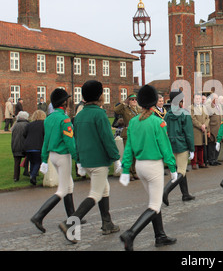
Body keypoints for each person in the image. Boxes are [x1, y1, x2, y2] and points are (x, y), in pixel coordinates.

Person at [59, 80, 121, 243]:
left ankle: (107, 223)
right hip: (98, 160)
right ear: (99, 96)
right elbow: (108, 139)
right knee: (95, 193)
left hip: (86, 160)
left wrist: (78, 160)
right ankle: (70, 223)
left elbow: (76, 140)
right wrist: (116, 158)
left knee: (104, 188)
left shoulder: (78, 116)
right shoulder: (100, 114)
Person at [119, 85, 177, 251]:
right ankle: (131, 233)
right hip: (153, 166)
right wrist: (172, 167)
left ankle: (160, 235)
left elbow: (128, 147)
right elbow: (165, 147)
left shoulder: (134, 122)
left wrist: (125, 170)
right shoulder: (158, 122)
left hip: (140, 166)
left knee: (154, 201)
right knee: (154, 205)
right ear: (152, 103)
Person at [30, 89, 79, 233]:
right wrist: (78, 159)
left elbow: (46, 141)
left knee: (68, 186)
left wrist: (44, 159)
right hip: (63, 156)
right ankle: (39, 215)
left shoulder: (48, 118)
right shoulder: (64, 119)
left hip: (52, 155)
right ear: (64, 103)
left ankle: (73, 218)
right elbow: (70, 141)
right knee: (64, 189)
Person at [163, 89, 196, 206]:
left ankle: (185, 194)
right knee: (181, 171)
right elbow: (188, 133)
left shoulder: (167, 114)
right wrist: (192, 149)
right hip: (182, 145)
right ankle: (166, 191)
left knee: (180, 169)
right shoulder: (184, 113)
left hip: (171, 145)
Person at [114, 93, 142, 180]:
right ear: (128, 101)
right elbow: (116, 110)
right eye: (132, 99)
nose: (134, 101)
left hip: (137, 133)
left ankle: (134, 171)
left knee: (135, 154)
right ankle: (128, 173)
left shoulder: (139, 109)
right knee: (129, 154)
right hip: (128, 133)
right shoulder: (125, 109)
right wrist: (123, 103)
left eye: (135, 99)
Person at [23, 110, 46, 185]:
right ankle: (33, 175)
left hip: (28, 146)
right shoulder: (43, 124)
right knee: (37, 162)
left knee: (32, 162)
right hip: (38, 146)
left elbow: (24, 134)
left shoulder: (29, 125)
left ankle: (33, 177)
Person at [190, 93, 210, 169]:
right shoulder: (191, 108)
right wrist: (200, 125)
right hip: (195, 130)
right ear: (193, 99)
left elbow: (207, 118)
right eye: (196, 98)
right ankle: (193, 163)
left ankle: (201, 163)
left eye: (199, 98)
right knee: (194, 148)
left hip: (203, 130)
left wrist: (205, 125)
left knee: (202, 147)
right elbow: (193, 119)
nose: (198, 100)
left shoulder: (204, 107)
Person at [11, 111, 30, 181]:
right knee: (29, 157)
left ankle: (16, 177)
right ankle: (27, 171)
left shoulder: (15, 125)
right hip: (24, 145)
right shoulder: (27, 124)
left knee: (16, 162)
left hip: (15, 145)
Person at [205, 93, 223, 166]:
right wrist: (208, 130)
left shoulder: (219, 106)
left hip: (219, 128)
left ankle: (215, 159)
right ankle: (211, 160)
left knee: (218, 144)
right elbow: (207, 119)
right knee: (212, 145)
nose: (217, 100)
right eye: (215, 98)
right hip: (213, 128)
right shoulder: (208, 107)